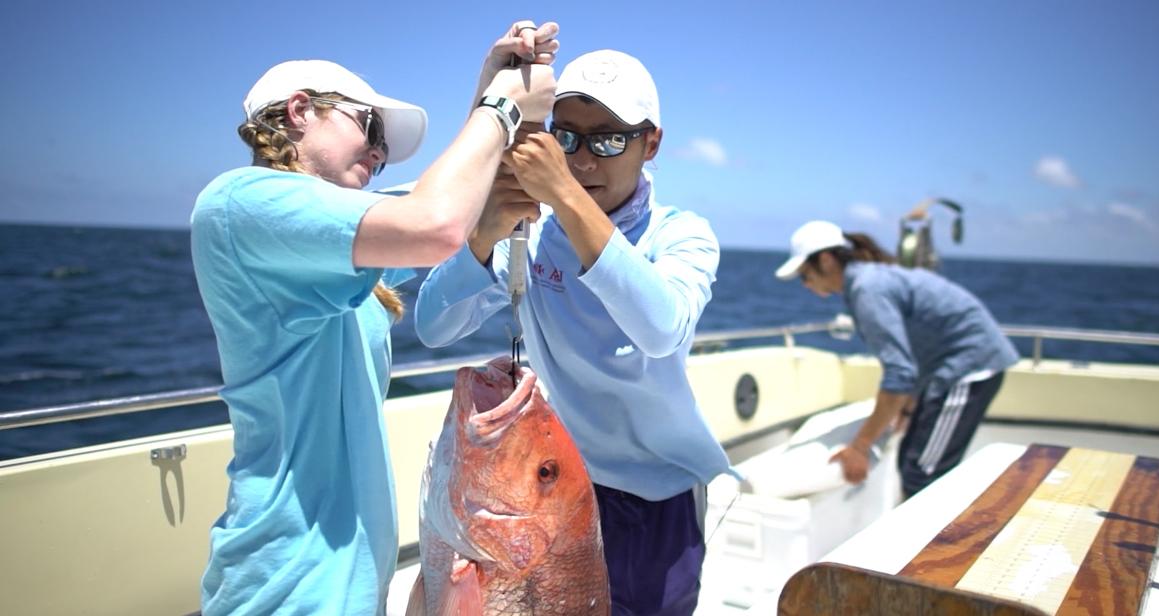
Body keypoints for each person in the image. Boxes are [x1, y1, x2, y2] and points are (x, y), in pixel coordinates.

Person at [189, 22, 559, 615]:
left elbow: (454, 200)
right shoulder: (242, 202)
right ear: (300, 110)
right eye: (370, 127)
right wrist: (502, 106)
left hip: (353, 587)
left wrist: (493, 86)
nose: (380, 152)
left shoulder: (335, 248)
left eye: (383, 147)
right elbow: (436, 224)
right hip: (285, 587)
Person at [413, 49, 732, 615]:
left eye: (608, 141)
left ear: (651, 143)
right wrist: (486, 232)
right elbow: (433, 326)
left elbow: (662, 328)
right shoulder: (527, 233)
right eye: (567, 138)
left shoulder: (682, 235)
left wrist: (563, 194)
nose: (583, 161)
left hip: (658, 495)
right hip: (545, 485)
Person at [774, 220, 1019, 498]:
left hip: (969, 368)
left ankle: (940, 541)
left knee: (922, 473)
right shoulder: (867, 281)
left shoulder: (867, 290)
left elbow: (899, 372)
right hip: (946, 368)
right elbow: (913, 349)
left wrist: (860, 447)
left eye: (805, 275)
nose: (806, 284)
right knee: (912, 460)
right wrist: (907, 405)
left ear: (827, 260)